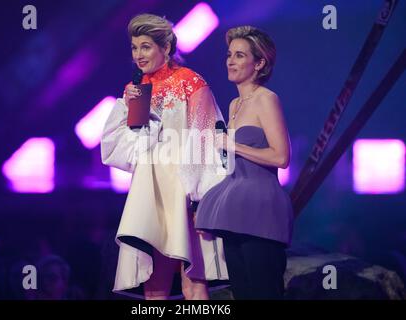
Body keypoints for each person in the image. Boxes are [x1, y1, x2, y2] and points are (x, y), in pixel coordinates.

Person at [100, 13, 228, 300]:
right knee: (154, 285)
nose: (138, 55)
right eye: (134, 48)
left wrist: (199, 195)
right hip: (150, 191)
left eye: (145, 46)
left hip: (185, 190)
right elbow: (129, 150)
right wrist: (127, 106)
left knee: (193, 281)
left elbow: (205, 138)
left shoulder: (191, 82)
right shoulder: (137, 88)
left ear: (166, 47)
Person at [195, 26, 294, 300]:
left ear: (259, 63)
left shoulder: (267, 99)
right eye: (229, 54)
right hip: (234, 210)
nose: (231, 61)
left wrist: (233, 145)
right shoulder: (234, 105)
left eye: (239, 55)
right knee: (241, 293)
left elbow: (281, 157)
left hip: (262, 209)